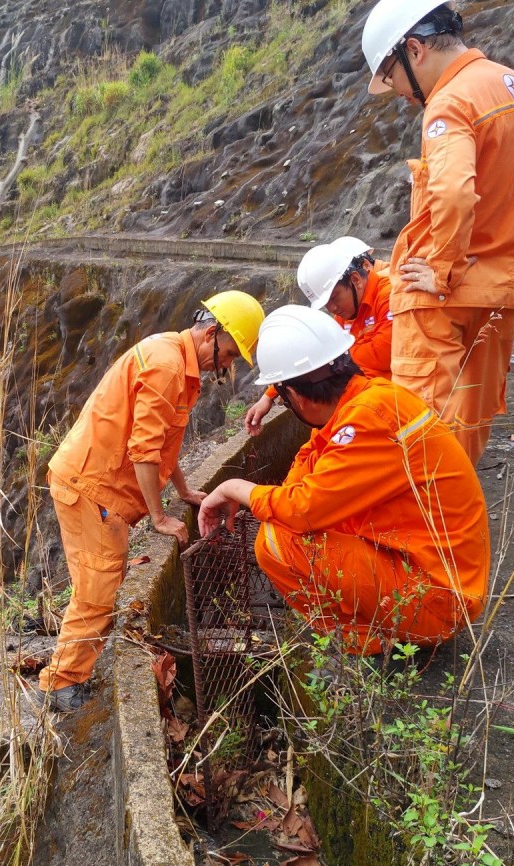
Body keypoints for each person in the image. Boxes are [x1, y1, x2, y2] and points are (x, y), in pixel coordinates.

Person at [200, 305, 489, 656]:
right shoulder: (367, 400)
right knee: (296, 522)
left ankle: (361, 641)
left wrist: (233, 488)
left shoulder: (367, 422)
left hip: (435, 600)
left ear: (297, 397)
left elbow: (302, 510)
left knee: (277, 542)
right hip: (433, 576)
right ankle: (372, 627)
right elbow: (305, 471)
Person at [40, 291, 266, 712]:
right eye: (229, 353)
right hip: (93, 488)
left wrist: (181, 490)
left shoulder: (174, 358)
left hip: (95, 483)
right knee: (96, 591)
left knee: (101, 584)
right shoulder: (166, 367)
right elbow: (144, 451)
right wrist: (160, 517)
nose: (226, 365)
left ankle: (69, 672)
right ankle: (60, 684)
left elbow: (164, 442)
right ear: (211, 334)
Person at [362, 0, 514, 463]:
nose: (400, 93)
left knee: (425, 441)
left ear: (414, 49)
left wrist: (442, 269)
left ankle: (428, 532)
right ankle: (455, 530)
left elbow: (452, 193)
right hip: (499, 296)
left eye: (392, 76)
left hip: (441, 304)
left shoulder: (450, 102)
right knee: (466, 434)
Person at [244, 237, 393, 435]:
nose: (332, 308)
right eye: (326, 304)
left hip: (388, 409)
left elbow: (384, 353)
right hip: (362, 403)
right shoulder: (346, 313)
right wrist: (270, 395)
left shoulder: (390, 295)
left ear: (355, 279)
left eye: (333, 298)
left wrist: (340, 356)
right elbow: (324, 355)